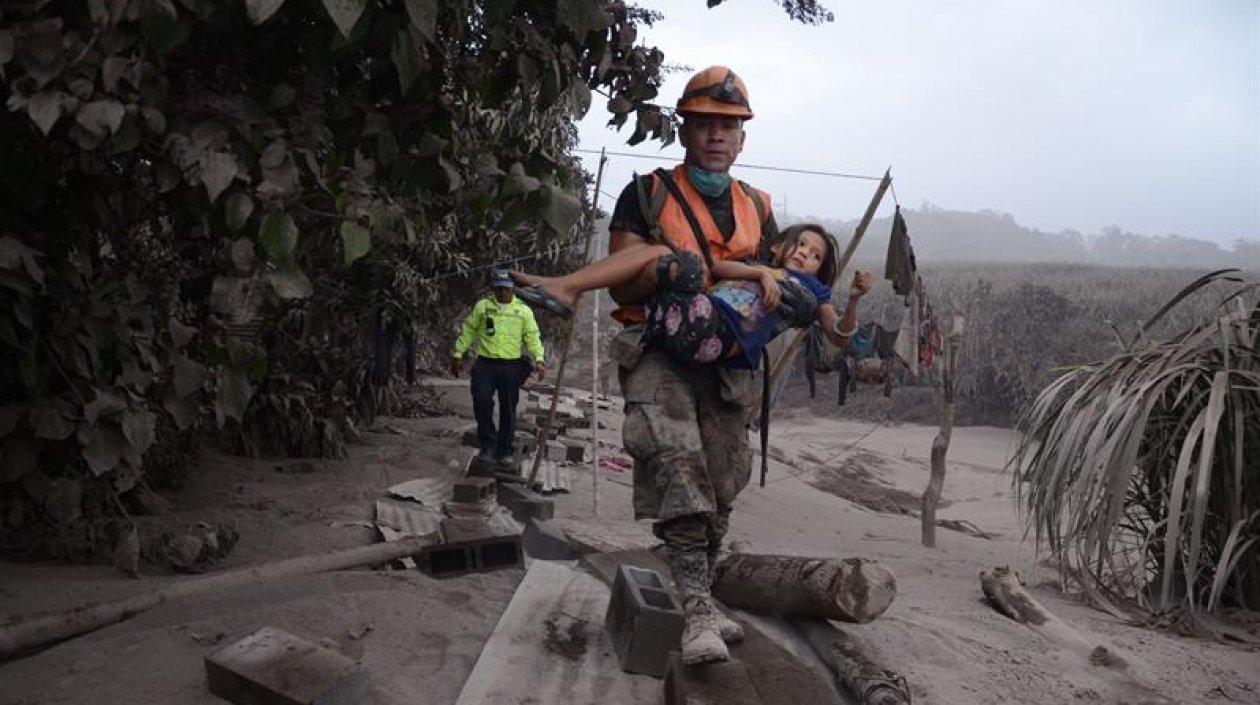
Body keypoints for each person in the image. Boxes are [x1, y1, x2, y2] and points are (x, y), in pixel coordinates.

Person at [536, 66, 862, 666]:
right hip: (660, 348)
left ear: (742, 139)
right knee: (678, 466)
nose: (716, 135)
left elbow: (779, 282)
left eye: (729, 127)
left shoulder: (758, 208)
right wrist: (671, 275)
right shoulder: (647, 193)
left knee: (724, 477)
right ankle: (697, 611)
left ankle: (702, 593)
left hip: (730, 361)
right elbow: (623, 284)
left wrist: (795, 300)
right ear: (684, 130)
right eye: (705, 123)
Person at [512, 223, 873, 369]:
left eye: (815, 256)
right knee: (662, 256)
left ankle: (568, 287)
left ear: (820, 270)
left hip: (716, 335)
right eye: (801, 244)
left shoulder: (815, 291)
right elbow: (720, 268)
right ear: (778, 248)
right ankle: (567, 286)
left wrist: (855, 299)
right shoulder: (759, 268)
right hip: (692, 316)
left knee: (669, 259)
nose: (805, 254)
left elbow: (839, 335)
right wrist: (761, 273)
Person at [451, 270, 546, 468]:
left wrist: (539, 359)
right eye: (499, 289)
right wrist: (458, 353)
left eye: (507, 289)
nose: (503, 292)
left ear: (513, 289)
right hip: (485, 364)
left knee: (508, 409)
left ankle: (504, 451)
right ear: (494, 289)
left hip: (511, 366)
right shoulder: (483, 307)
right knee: (481, 401)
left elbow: (532, 336)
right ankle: (487, 446)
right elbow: (469, 330)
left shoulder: (523, 311)